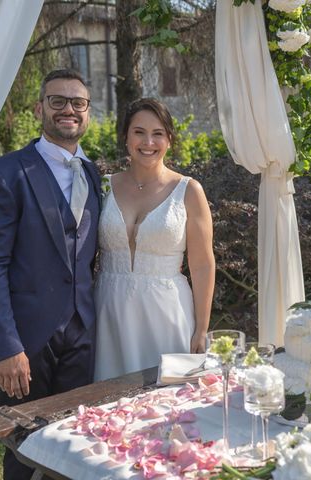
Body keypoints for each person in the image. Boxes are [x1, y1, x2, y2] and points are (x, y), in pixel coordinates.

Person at [0, 69, 100, 480]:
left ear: (88, 113)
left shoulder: (93, 173)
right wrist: (6, 347)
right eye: (58, 101)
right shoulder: (4, 174)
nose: (69, 110)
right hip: (28, 341)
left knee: (74, 443)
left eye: (78, 103)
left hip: (83, 332)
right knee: (26, 450)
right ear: (39, 108)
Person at [94, 98, 215, 381]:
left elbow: (202, 265)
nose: (148, 141)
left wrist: (201, 328)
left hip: (167, 311)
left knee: (168, 405)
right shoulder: (103, 186)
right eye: (139, 132)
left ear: (169, 139)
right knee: (109, 407)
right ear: (125, 136)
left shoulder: (188, 190)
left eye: (158, 133)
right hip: (109, 311)